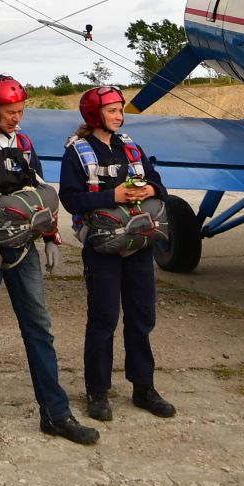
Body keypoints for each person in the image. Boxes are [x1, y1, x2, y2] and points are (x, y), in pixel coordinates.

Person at [0, 73, 97, 447]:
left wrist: (50, 237)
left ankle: (56, 413)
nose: (17, 117)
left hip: (24, 248)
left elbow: (40, 193)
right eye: (11, 111)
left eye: (21, 110)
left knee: (39, 329)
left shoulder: (23, 143)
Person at [57, 86, 176, 422]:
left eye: (120, 110)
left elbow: (159, 185)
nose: (119, 116)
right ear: (95, 114)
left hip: (139, 244)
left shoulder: (131, 147)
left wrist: (150, 188)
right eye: (112, 111)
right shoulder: (77, 153)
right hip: (103, 247)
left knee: (142, 316)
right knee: (104, 319)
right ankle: (97, 391)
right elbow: (71, 199)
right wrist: (115, 196)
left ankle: (144, 386)